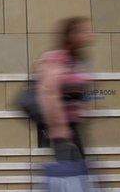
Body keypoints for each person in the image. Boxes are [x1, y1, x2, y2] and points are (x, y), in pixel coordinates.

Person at [37, 17, 93, 162]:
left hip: (74, 128)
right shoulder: (57, 59)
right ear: (70, 35)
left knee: (77, 175)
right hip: (63, 131)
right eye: (82, 31)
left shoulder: (76, 61)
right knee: (73, 176)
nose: (88, 35)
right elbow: (49, 94)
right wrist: (60, 128)